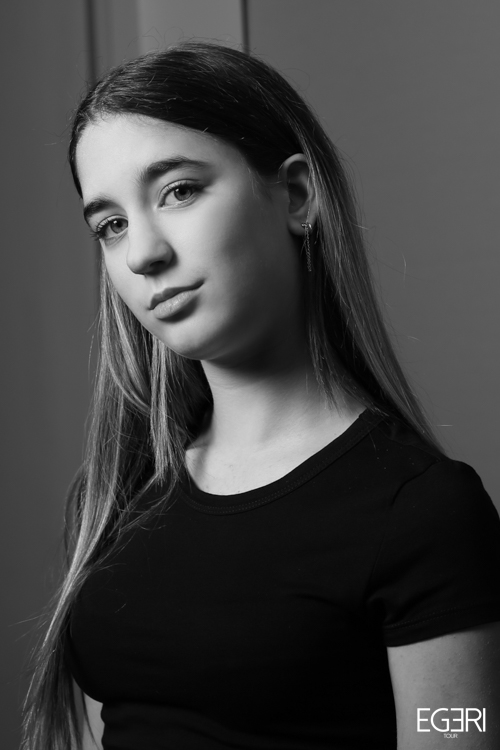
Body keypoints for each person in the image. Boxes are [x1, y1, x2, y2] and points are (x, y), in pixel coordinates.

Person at [22, 41, 500, 750]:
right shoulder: (118, 496)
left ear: (297, 196)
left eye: (179, 191)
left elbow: (459, 729)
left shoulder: (423, 512)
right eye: (111, 225)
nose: (142, 253)